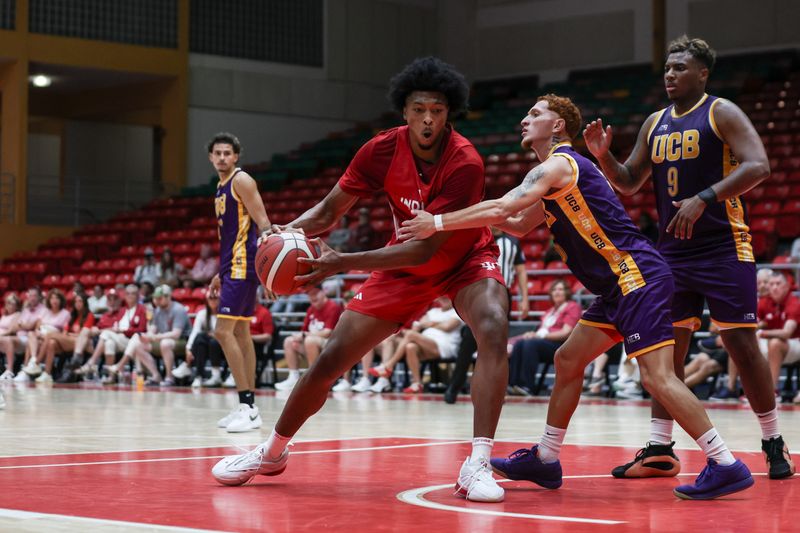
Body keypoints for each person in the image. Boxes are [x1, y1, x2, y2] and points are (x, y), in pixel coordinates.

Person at [399, 93, 754, 499]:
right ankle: (546, 460)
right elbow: (515, 224)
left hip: (636, 276)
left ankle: (725, 463)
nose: (525, 119)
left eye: (535, 113)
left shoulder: (561, 164)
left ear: (557, 126)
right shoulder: (556, 176)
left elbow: (502, 208)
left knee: (657, 376)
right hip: (616, 286)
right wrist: (462, 224)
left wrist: (438, 222)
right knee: (567, 358)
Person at [212, 57, 510, 503]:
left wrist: (342, 261)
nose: (428, 119)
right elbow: (329, 212)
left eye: (437, 110)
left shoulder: (465, 160)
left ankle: (478, 463)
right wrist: (282, 236)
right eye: (418, 109)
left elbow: (427, 247)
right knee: (331, 357)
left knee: (492, 325)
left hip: (464, 257)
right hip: (403, 267)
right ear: (403, 112)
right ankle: (271, 452)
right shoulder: (380, 150)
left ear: (450, 114)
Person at [583, 35, 793, 479]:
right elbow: (629, 181)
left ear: (703, 73)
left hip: (723, 247)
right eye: (667, 67)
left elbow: (759, 166)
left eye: (680, 67)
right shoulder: (654, 122)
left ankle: (773, 438)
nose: (671, 74)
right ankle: (660, 449)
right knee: (665, 352)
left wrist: (705, 197)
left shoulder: (721, 111)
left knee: (740, 344)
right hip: (672, 253)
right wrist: (603, 158)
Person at [207, 132, 274, 432]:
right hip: (231, 266)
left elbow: (264, 224)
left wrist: (267, 269)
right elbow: (229, 237)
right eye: (217, 153)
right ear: (211, 157)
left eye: (227, 153)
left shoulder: (241, 181)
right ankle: (248, 408)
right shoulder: (220, 187)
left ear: (236, 156)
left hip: (243, 265)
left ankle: (246, 404)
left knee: (222, 332)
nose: (222, 157)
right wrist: (218, 272)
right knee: (242, 332)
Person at [444, 226, 530, 403]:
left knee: (498, 343)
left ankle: (498, 389)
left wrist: (525, 298)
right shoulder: (477, 238)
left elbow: (520, 271)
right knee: (468, 343)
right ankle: (454, 386)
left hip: (503, 294)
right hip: (479, 293)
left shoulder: (513, 242)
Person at [368, 296, 463, 393]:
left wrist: (428, 324)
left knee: (410, 335)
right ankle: (417, 383)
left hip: (444, 346)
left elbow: (447, 327)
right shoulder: (432, 312)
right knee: (409, 346)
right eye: (442, 297)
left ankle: (389, 366)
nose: (444, 299)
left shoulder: (457, 312)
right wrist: (435, 324)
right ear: (437, 299)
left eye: (447, 298)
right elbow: (417, 326)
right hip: (425, 343)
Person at [507, 279, 580, 396]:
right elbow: (540, 331)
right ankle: (514, 384)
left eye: (560, 289)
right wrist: (530, 335)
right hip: (544, 342)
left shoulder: (572, 307)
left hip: (562, 345)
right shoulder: (549, 311)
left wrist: (540, 336)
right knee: (521, 343)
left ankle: (527, 386)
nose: (557, 292)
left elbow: (567, 332)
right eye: (554, 290)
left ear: (567, 292)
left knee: (530, 344)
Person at [274, 286, 342, 391]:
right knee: (289, 341)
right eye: (309, 294)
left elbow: (328, 332)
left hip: (331, 345)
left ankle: (314, 379)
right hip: (312, 344)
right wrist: (298, 337)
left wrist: (305, 335)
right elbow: (304, 330)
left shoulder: (333, 307)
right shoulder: (311, 309)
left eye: (315, 293)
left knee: (309, 341)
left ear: (323, 292)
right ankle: (293, 377)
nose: (312, 297)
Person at [129, 285, 191, 387]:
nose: (156, 301)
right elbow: (152, 331)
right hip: (162, 340)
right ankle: (156, 375)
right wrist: (147, 329)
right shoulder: (157, 310)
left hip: (182, 342)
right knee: (138, 344)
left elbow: (176, 334)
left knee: (165, 343)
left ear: (168, 297)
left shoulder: (178, 309)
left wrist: (155, 337)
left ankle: (169, 377)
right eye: (155, 298)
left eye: (160, 298)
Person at [757, 272, 800, 388]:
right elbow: (753, 325)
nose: (775, 287)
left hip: (794, 344)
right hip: (770, 342)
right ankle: (743, 390)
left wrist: (762, 333)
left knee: (775, 343)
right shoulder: (764, 302)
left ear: (786, 287)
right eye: (772, 284)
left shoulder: (794, 303)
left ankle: (772, 391)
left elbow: (786, 333)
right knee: (743, 343)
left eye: (778, 284)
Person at [19, 289, 70, 381]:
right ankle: (32, 362)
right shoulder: (45, 311)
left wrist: (46, 335)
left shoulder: (65, 313)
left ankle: (38, 367)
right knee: (31, 334)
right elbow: (38, 327)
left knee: (49, 342)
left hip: (55, 338)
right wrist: (38, 332)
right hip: (42, 335)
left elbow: (64, 333)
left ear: (61, 300)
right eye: (52, 298)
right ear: (49, 300)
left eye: (57, 298)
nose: (54, 300)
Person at [185, 290, 220, 388]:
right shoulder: (202, 314)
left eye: (215, 298)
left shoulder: (224, 313)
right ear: (207, 301)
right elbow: (195, 332)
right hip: (205, 346)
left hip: (223, 346)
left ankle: (216, 375)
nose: (213, 301)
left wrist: (214, 335)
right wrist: (188, 349)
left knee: (213, 341)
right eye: (210, 298)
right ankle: (198, 376)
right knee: (200, 339)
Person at [0, 294, 22, 380]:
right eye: (8, 303)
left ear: (17, 306)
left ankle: (9, 371)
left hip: (8, 338)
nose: (10, 306)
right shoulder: (4, 316)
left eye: (13, 304)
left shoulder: (17, 314)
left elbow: (11, 331)